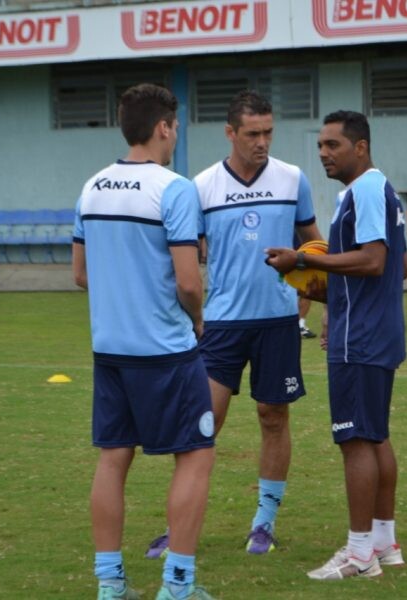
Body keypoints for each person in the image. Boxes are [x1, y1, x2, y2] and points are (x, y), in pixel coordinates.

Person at [145, 89, 322, 559]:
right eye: (252, 134)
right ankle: (176, 528)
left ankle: (263, 524)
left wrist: (308, 282)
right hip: (219, 325)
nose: (261, 141)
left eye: (268, 132)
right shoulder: (200, 186)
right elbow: (183, 255)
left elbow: (314, 245)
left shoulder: (293, 179)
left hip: (277, 323)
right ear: (230, 133)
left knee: (273, 417)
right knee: (203, 423)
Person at [72, 83, 216, 600]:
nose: (175, 135)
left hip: (109, 350)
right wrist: (198, 320)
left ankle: (111, 586)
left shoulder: (90, 188)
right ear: (163, 128)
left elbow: (81, 274)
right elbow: (188, 282)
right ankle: (178, 587)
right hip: (164, 350)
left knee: (113, 458)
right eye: (175, 126)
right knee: (196, 455)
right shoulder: (174, 189)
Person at [265, 110, 407, 580]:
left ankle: (359, 554)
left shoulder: (365, 189)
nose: (324, 153)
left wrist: (303, 258)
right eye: (321, 146)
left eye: (334, 145)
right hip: (375, 329)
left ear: (360, 147)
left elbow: (373, 261)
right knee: (375, 435)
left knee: (354, 441)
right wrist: (311, 286)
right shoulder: (379, 190)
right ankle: (384, 544)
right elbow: (399, 268)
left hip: (360, 338)